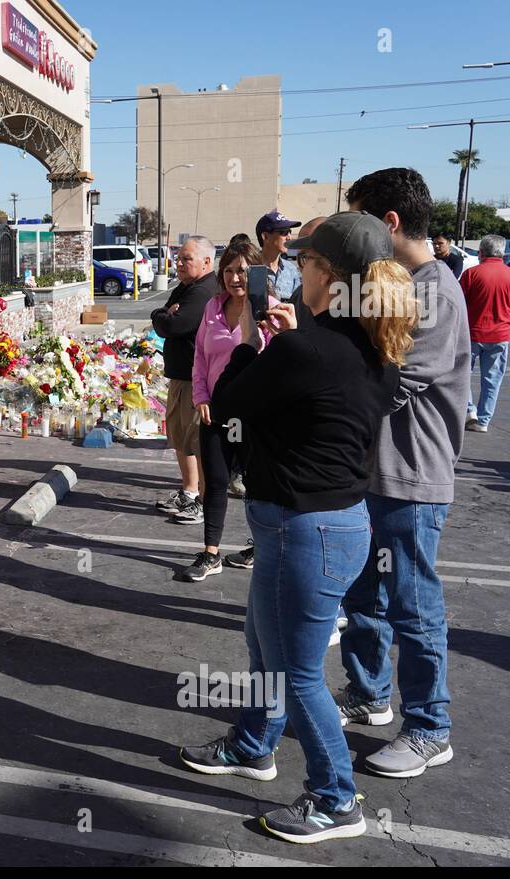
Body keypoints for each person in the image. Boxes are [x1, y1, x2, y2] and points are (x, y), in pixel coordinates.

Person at [179, 212, 415, 844]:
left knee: (297, 674)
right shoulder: (370, 342)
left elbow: (225, 405)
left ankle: (336, 798)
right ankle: (256, 744)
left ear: (328, 276)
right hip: (324, 526)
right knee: (265, 649)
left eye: (306, 263)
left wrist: (256, 339)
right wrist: (284, 338)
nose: (294, 270)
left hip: (303, 531)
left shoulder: (306, 348)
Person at [340, 167, 470, 777]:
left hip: (410, 477)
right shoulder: (397, 285)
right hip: (372, 474)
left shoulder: (434, 292)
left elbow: (394, 382)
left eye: (361, 223)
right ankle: (368, 695)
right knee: (362, 593)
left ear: (388, 224)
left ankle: (429, 726)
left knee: (412, 604)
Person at [178, 241, 275, 582]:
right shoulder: (212, 309)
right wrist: (201, 397)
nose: (236, 278)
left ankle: (261, 545)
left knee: (257, 484)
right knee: (216, 482)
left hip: (255, 414)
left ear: (258, 273)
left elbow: (283, 363)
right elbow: (200, 358)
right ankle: (210, 553)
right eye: (230, 270)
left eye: (244, 271)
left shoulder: (272, 310)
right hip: (216, 411)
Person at [150, 237, 219, 523]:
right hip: (180, 376)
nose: (178, 264)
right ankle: (189, 492)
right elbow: (162, 316)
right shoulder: (187, 287)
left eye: (185, 259)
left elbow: (175, 324)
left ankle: (204, 500)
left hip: (196, 380)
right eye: (178, 258)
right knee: (181, 438)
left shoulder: (203, 291)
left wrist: (165, 316)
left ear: (206, 261)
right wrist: (162, 314)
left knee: (197, 442)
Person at [459, 234, 510, 433]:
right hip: (500, 335)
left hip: (472, 332)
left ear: (481, 252)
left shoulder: (472, 274)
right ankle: (483, 420)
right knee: (492, 379)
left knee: (462, 375)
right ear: (502, 252)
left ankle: (469, 410)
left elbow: (460, 302)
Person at [255, 210, 302, 300]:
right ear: (265, 236)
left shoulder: (291, 270)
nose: (289, 237)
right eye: (284, 232)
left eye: (290, 232)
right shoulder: (250, 268)